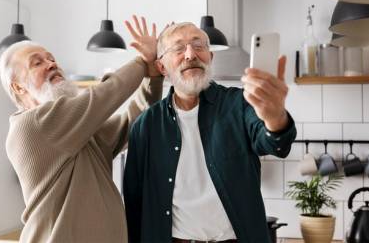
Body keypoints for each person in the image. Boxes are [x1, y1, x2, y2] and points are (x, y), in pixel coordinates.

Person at [123, 22, 296, 243]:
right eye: (178, 48)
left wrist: (274, 116)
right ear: (162, 67)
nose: (190, 54)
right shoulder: (145, 126)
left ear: (210, 57)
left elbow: (276, 144)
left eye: (199, 46)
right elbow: (134, 201)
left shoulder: (240, 103)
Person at [0, 16, 162, 242]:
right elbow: (101, 97)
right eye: (37, 63)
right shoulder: (31, 125)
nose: (51, 64)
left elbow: (135, 121)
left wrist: (152, 79)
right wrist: (143, 62)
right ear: (17, 87)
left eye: (52, 59)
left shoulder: (78, 131)